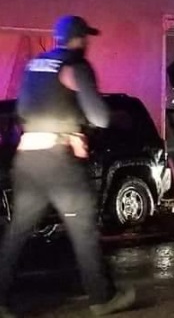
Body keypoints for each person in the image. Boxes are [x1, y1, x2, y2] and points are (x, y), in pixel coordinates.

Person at [0, 16, 136, 318]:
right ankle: (103, 298)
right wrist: (87, 125)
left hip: (28, 159)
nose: (87, 43)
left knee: (17, 232)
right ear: (80, 39)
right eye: (86, 38)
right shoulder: (75, 65)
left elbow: (22, 110)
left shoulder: (35, 65)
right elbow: (99, 117)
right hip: (58, 160)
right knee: (84, 228)